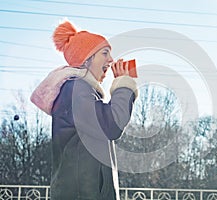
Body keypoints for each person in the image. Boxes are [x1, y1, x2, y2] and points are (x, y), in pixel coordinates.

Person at [31, 20, 138, 200]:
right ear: (86, 60)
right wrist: (124, 86)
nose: (111, 60)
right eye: (104, 53)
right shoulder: (75, 89)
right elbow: (111, 125)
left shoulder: (81, 91)